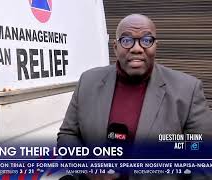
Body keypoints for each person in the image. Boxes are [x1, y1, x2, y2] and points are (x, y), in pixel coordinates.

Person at [57, 14, 212, 147]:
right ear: (115, 47)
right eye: (126, 40)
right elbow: (67, 134)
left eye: (146, 40)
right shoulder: (88, 82)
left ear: (155, 46)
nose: (136, 48)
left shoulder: (187, 89)